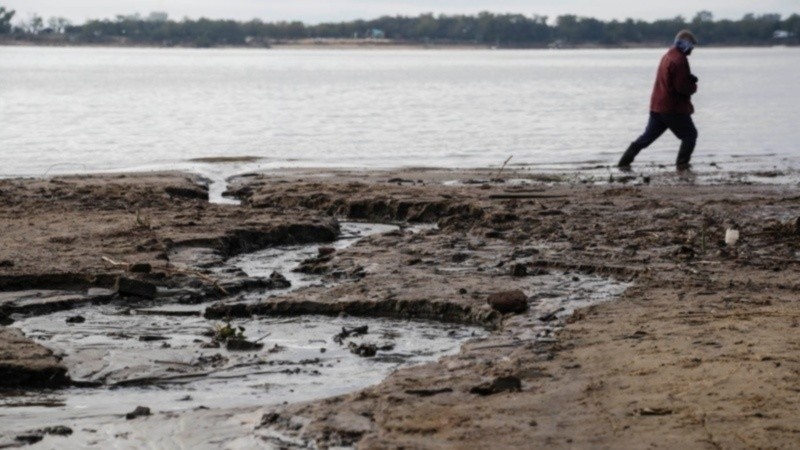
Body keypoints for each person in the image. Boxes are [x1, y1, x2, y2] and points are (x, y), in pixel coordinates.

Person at [619, 30, 699, 171]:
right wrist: (693, 86)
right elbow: (681, 87)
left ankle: (623, 162)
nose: (692, 49)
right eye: (691, 46)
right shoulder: (679, 60)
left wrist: (688, 78)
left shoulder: (668, 55)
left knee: (646, 138)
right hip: (672, 108)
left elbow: (671, 79)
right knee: (690, 135)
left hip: (657, 106)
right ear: (685, 44)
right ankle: (682, 165)